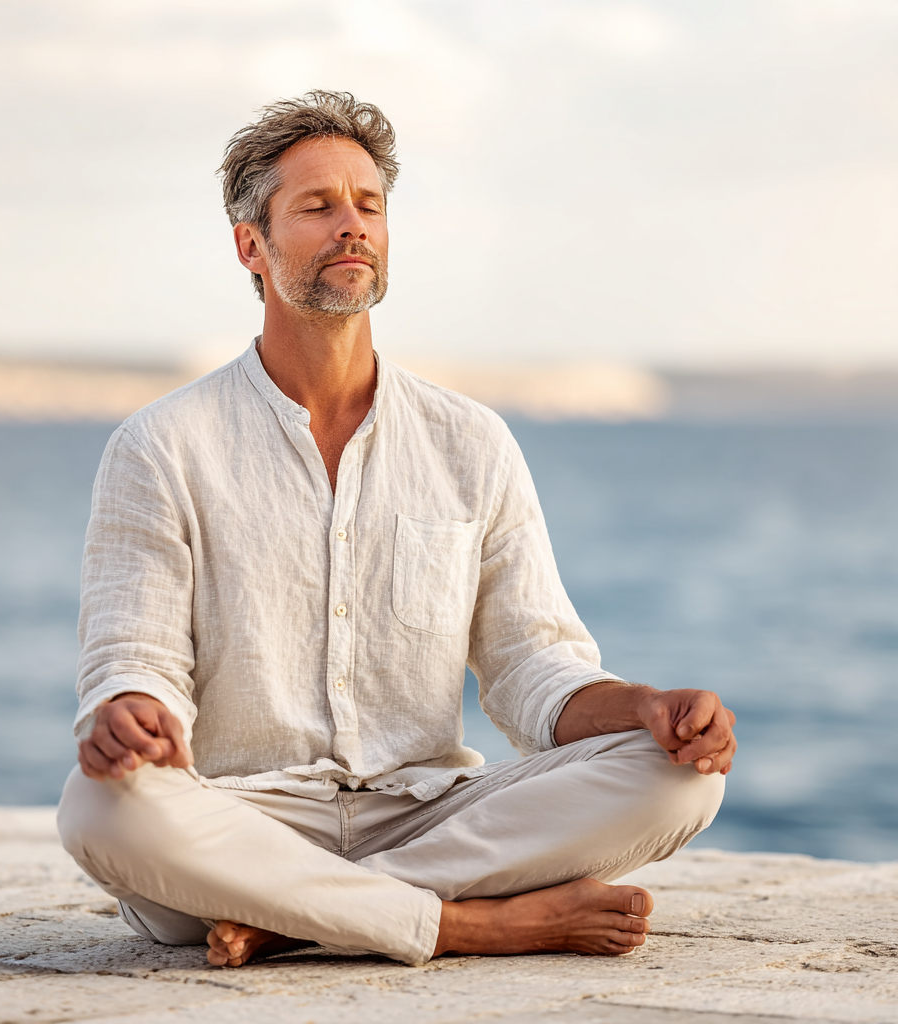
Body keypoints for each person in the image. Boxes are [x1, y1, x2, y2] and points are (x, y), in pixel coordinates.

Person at [57, 90, 736, 969]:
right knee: (99, 807)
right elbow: (133, 656)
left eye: (369, 205)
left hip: (430, 810)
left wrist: (647, 708)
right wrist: (131, 711)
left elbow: (535, 668)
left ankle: (296, 920)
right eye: (318, 206)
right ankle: (463, 924)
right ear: (250, 246)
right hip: (247, 817)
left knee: (680, 777)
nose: (353, 225)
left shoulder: (470, 441)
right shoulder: (161, 446)